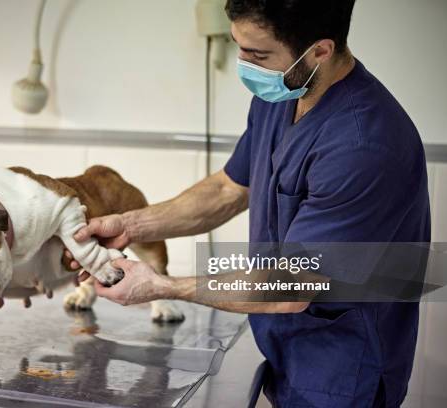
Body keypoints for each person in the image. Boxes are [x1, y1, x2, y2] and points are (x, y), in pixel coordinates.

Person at [66, 0, 430, 406]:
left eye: (258, 55)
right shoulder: (282, 94)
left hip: (343, 370)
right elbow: (228, 188)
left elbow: (292, 284)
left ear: (320, 51)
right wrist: (131, 226)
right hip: (288, 348)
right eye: (237, 45)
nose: (244, 64)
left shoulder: (364, 144)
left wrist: (160, 286)